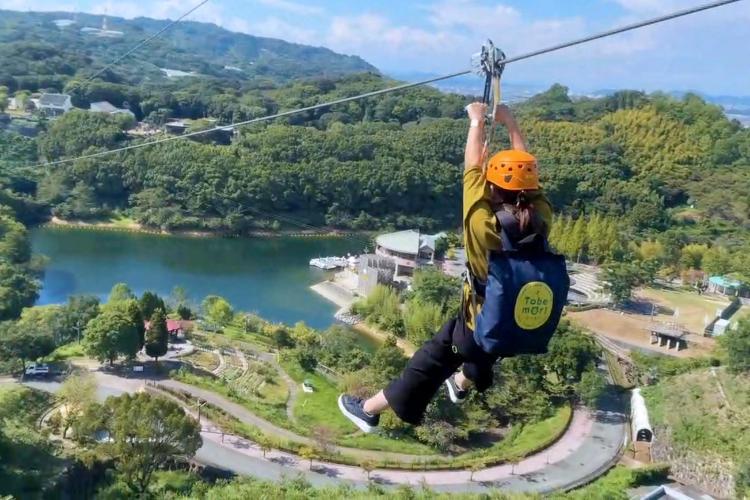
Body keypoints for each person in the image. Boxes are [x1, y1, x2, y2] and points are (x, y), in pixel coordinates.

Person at [338, 102, 562, 433]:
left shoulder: (483, 223)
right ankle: (461, 384)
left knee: (427, 363)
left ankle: (369, 411)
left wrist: (476, 122)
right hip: (517, 325)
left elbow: (473, 169)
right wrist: (511, 123)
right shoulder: (541, 219)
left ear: (492, 187)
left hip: (478, 325)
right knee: (483, 351)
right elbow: (527, 172)